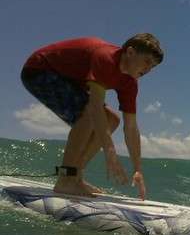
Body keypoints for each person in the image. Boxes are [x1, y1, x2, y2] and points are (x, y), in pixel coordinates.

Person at [20, 34, 163, 199]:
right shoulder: (105, 59)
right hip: (39, 69)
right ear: (130, 52)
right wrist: (110, 154)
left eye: (153, 66)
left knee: (112, 119)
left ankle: (76, 177)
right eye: (147, 62)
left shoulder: (129, 83)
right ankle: (66, 179)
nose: (149, 70)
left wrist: (137, 169)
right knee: (89, 114)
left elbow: (130, 126)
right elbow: (95, 108)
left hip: (71, 81)